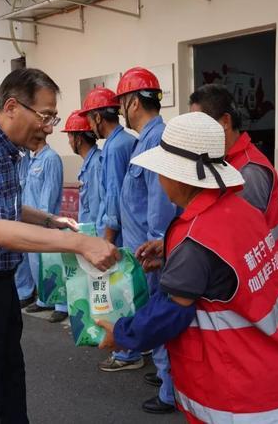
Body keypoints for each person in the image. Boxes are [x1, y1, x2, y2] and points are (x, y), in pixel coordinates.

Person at [0, 68, 119, 424]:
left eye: (52, 118)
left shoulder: (6, 151)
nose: (49, 127)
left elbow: (6, 207)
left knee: (10, 386)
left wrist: (49, 220)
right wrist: (77, 242)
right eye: (45, 116)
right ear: (13, 106)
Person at [97, 111, 278, 424]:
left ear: (179, 177)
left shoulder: (195, 239)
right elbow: (220, 267)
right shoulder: (241, 210)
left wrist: (122, 335)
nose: (159, 180)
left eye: (161, 172)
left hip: (241, 397)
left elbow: (170, 313)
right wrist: (174, 256)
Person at [189, 84, 278, 313]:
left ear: (225, 122)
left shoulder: (248, 172)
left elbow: (232, 241)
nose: (195, 135)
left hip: (268, 293)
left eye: (200, 126)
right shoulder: (224, 165)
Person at [103, 66, 177, 414]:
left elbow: (160, 201)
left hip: (152, 253)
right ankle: (167, 378)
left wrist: (158, 245)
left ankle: (170, 391)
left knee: (159, 314)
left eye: (122, 103)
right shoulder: (147, 140)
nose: (122, 112)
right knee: (154, 312)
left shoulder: (156, 140)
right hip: (143, 250)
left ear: (133, 102)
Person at [17, 112, 66, 323]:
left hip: (43, 222)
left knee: (52, 264)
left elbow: (50, 193)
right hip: (29, 222)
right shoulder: (28, 160)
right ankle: (45, 300)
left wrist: (44, 221)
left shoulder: (51, 158)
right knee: (35, 262)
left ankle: (62, 304)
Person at [79, 87, 135, 244]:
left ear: (97, 117)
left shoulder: (113, 148)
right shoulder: (127, 140)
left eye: (89, 120)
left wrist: (107, 241)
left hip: (115, 237)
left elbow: (113, 196)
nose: (89, 126)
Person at [62, 110, 102, 224]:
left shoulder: (95, 165)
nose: (69, 142)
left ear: (78, 140)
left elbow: (96, 210)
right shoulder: (90, 163)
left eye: (70, 136)